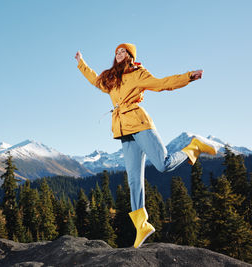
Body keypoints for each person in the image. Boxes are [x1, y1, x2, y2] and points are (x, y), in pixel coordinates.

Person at [75, 43, 217, 248]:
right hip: (124, 132)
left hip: (140, 124)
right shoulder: (111, 79)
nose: (118, 54)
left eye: (122, 51)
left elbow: (162, 84)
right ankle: (142, 225)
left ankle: (193, 147)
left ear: (130, 56)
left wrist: (188, 77)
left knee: (163, 164)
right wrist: (81, 63)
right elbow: (95, 80)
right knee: (134, 180)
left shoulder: (137, 73)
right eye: (116, 52)